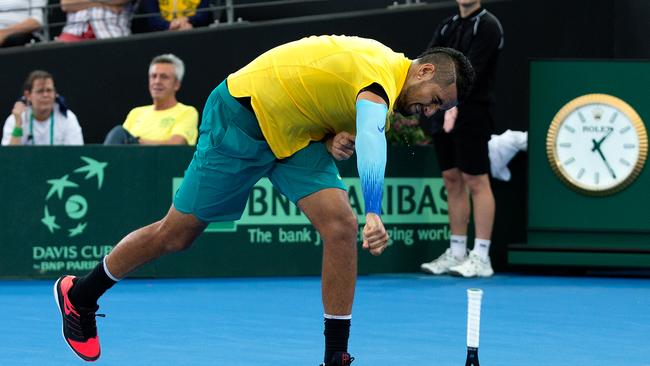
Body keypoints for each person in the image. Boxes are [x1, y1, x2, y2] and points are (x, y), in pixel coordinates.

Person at [53, 35, 474, 365]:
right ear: (425, 71)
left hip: (294, 135)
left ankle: (335, 357)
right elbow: (370, 135)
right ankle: (81, 295)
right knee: (176, 235)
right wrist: (375, 210)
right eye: (436, 100)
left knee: (340, 226)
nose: (431, 111)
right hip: (243, 117)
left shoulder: (381, 82)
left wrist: (332, 134)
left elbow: (326, 95)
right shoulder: (378, 75)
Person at [420, 0, 503, 278]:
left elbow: (472, 72)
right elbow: (429, 62)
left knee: (476, 181)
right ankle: (457, 252)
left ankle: (481, 256)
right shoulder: (447, 26)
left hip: (473, 114)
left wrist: (453, 106)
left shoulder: (488, 25)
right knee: (452, 179)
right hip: (442, 112)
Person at [103, 54, 199, 145]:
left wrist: (135, 142)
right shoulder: (136, 112)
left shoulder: (187, 112)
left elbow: (175, 145)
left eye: (164, 77)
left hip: (160, 161)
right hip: (128, 160)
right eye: (153, 76)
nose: (157, 81)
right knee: (118, 132)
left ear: (177, 84)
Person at [2, 70, 83, 145]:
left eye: (49, 90)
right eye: (40, 91)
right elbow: (9, 158)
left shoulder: (68, 118)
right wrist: (18, 125)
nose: (45, 95)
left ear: (55, 93)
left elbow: (76, 155)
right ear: (28, 95)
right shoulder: (15, 119)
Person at [57, 0, 133, 42]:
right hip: (73, 33)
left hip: (111, 34)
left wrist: (83, 2)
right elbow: (66, 4)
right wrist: (104, 4)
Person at [139, 0, 212, 32]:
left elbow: (204, 14)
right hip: (162, 34)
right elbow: (152, 18)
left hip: (194, 31)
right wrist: (169, 25)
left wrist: (187, 19)